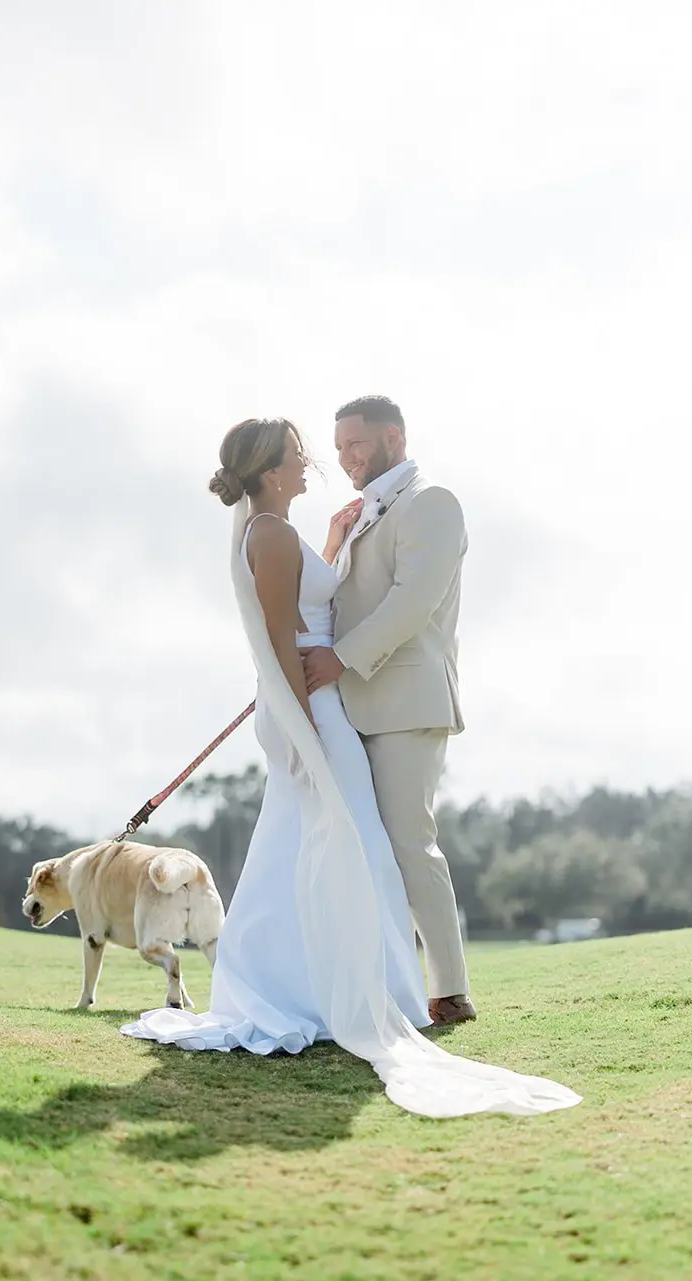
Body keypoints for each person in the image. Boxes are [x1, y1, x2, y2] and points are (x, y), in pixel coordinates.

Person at [120, 418, 581, 1120]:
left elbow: (309, 603)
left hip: (317, 703)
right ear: (271, 471)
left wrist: (332, 547)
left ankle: (324, 986)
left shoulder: (276, 529)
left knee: (324, 844)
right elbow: (281, 635)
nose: (313, 462)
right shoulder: (270, 535)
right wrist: (302, 725)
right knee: (352, 844)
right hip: (312, 709)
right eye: (300, 454)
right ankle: (339, 991)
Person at [304, 396, 475, 1027]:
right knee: (369, 849)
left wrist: (339, 659)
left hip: (406, 699)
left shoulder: (433, 501)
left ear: (393, 439)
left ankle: (451, 991)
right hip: (354, 703)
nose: (345, 456)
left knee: (409, 843)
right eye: (339, 446)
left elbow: (413, 601)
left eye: (355, 443)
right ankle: (390, 985)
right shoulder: (363, 513)